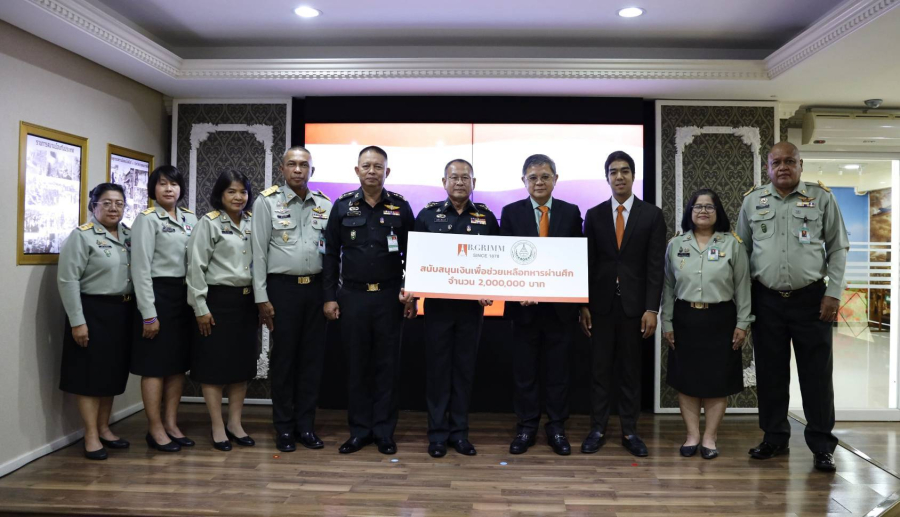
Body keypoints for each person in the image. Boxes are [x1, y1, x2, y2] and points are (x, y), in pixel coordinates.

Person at [736, 142, 849, 472]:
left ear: (801, 165)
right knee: (770, 374)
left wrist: (834, 293)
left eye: (789, 161)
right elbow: (742, 255)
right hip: (766, 300)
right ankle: (775, 438)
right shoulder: (752, 201)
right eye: (776, 162)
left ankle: (822, 446)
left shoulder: (821, 198)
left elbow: (838, 247)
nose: (783, 167)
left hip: (812, 300)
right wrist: (744, 304)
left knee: (816, 376)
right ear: (768, 168)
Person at [323, 146, 416, 455]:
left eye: (378, 166)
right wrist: (329, 297)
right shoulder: (342, 206)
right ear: (357, 171)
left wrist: (410, 292)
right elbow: (330, 255)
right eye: (366, 166)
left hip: (390, 297)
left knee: (387, 366)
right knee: (356, 366)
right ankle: (360, 431)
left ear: (387, 172)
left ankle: (384, 432)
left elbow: (413, 255)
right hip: (353, 297)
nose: (372, 171)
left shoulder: (401, 207)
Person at [580, 150, 665, 457]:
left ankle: (630, 431)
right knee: (599, 371)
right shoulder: (594, 215)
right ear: (607, 178)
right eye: (613, 172)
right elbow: (587, 263)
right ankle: (597, 429)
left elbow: (655, 266)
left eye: (625, 171)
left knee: (630, 372)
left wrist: (652, 309)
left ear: (633, 176)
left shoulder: (651, 215)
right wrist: (583, 305)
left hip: (635, 308)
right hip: (600, 307)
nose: (619, 176)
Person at [413, 159, 500, 458]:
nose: (460, 182)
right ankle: (437, 435)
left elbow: (497, 262)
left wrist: (490, 289)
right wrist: (413, 295)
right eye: (454, 177)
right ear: (444, 182)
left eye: (465, 177)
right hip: (438, 307)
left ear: (474, 183)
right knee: (438, 371)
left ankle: (459, 433)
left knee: (464, 370)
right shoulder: (427, 215)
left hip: (471, 309)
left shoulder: (486, 218)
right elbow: (414, 259)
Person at [499, 154, 583, 456]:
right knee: (525, 372)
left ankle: (557, 427)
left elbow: (577, 259)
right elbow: (505, 259)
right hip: (524, 308)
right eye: (532, 177)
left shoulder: (571, 212)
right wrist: (517, 289)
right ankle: (526, 427)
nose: (539, 182)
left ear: (555, 180)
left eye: (545, 176)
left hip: (560, 309)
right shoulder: (510, 212)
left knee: (559, 372)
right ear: (524, 181)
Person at [661, 189, 752, 460]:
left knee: (717, 381)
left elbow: (743, 286)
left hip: (721, 320)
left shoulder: (732, 244)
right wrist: (667, 321)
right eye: (697, 206)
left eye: (709, 207)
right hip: (685, 319)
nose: (703, 211)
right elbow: (668, 286)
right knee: (686, 380)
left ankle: (710, 437)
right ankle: (692, 436)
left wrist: (743, 323)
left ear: (717, 212)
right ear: (690, 211)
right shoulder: (676, 244)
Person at [252, 147, 332, 453]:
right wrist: (262, 298)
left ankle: (305, 427)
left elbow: (331, 254)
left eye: (304, 165)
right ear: (282, 169)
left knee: (311, 362)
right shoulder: (266, 202)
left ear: (312, 170)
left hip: (315, 291)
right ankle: (284, 428)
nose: (298, 170)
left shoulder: (324, 203)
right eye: (292, 164)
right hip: (282, 290)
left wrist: (330, 294)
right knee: (284, 361)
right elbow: (259, 253)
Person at [57, 183, 134, 460]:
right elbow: (68, 281)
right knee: (89, 375)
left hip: (121, 312)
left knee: (111, 373)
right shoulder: (82, 236)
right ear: (94, 206)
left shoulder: (129, 235)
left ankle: (104, 428)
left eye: (119, 203)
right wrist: (77, 322)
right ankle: (90, 434)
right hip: (92, 311)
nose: (114, 208)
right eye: (107, 203)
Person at [186, 170, 258, 451]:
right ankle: (217, 426)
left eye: (243, 191)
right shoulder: (209, 223)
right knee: (213, 367)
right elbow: (195, 267)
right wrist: (200, 307)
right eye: (232, 191)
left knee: (241, 366)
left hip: (246, 303)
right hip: (215, 302)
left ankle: (235, 424)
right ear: (220, 194)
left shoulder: (253, 222)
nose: (238, 197)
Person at [130, 166, 197, 453]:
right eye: (162, 184)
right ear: (153, 189)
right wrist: (149, 313)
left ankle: (171, 423)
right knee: (155, 366)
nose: (169, 189)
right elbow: (140, 269)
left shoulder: (190, 218)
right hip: (157, 296)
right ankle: (154, 427)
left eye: (174, 184)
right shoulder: (147, 220)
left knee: (177, 365)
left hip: (183, 297)